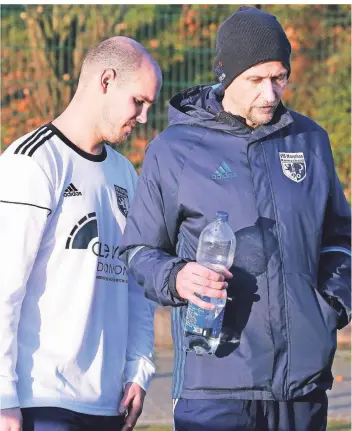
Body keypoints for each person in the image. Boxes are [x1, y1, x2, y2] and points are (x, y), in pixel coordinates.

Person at [119, 6, 351, 431]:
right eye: (256, 80)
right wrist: (177, 277)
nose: (270, 93)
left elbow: (340, 234)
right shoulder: (174, 150)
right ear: (226, 75)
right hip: (216, 386)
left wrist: (331, 305)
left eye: (279, 77)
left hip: (301, 386)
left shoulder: (311, 140)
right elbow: (137, 251)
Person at [0, 36, 162, 431]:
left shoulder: (125, 173)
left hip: (109, 405)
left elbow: (136, 284)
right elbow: (5, 287)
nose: (142, 117)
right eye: (138, 102)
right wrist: (3, 398)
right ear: (106, 81)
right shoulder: (33, 163)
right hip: (42, 400)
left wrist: (138, 368)